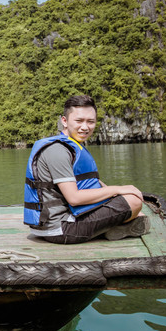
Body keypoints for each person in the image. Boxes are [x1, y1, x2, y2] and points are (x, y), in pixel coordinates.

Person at [24, 94, 150, 243]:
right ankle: (112, 228)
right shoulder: (57, 150)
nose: (85, 127)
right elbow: (74, 198)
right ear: (64, 121)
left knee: (132, 206)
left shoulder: (72, 146)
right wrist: (118, 190)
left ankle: (112, 229)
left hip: (60, 222)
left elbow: (91, 181)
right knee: (134, 202)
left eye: (91, 122)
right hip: (60, 228)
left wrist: (118, 198)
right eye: (79, 121)